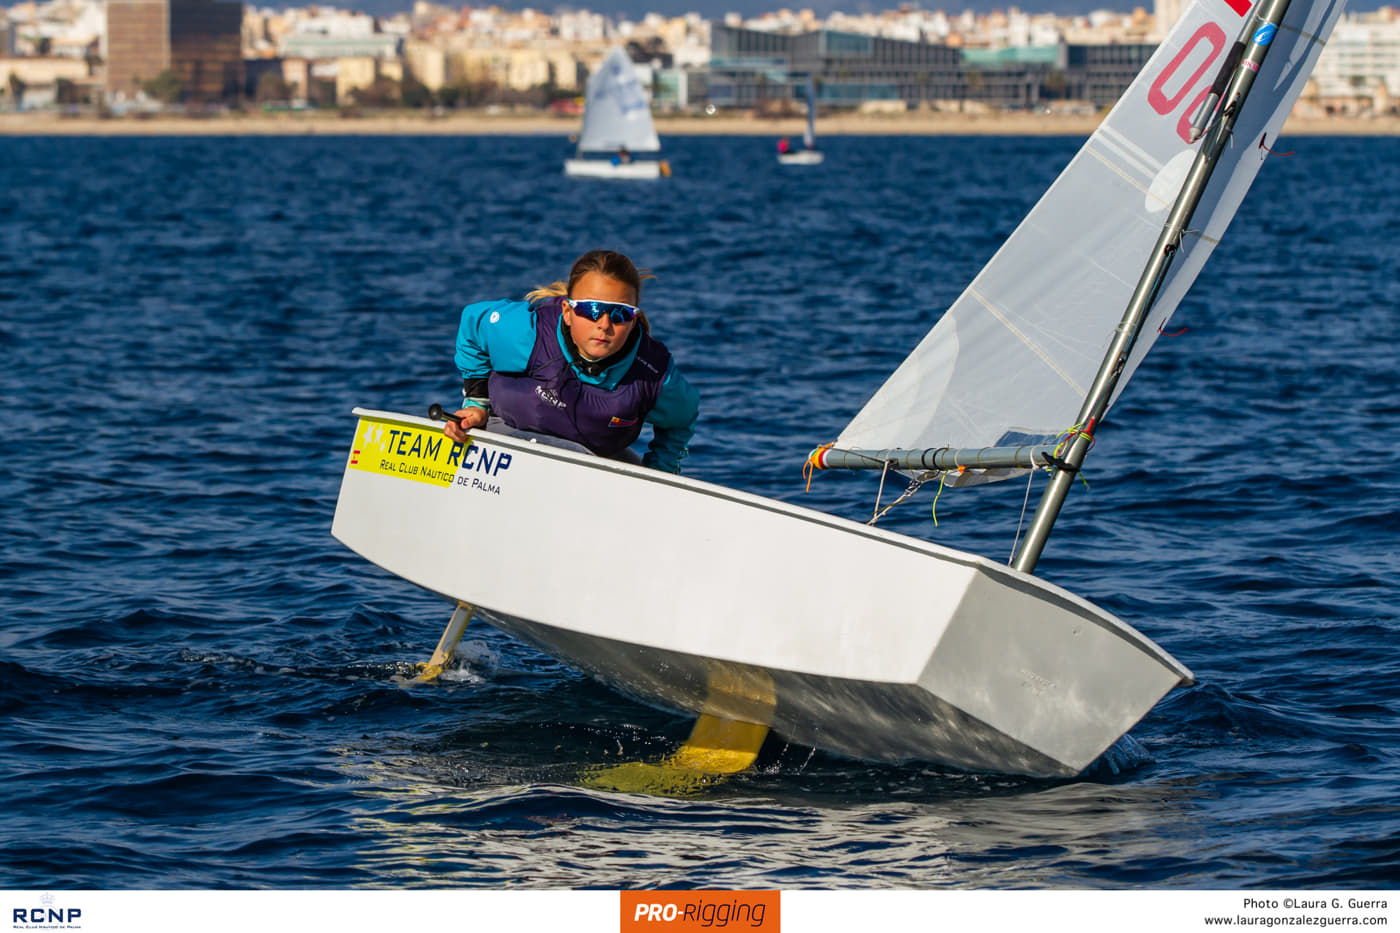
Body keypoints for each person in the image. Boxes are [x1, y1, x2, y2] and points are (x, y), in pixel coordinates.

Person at [443, 249, 699, 474]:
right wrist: (477, 404)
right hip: (507, 433)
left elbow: (681, 421)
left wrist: (659, 475)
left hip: (592, 461)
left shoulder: (654, 374)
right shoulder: (528, 333)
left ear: (634, 318)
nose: (604, 325)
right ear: (568, 312)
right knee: (578, 456)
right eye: (591, 310)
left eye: (620, 314)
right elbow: (472, 322)